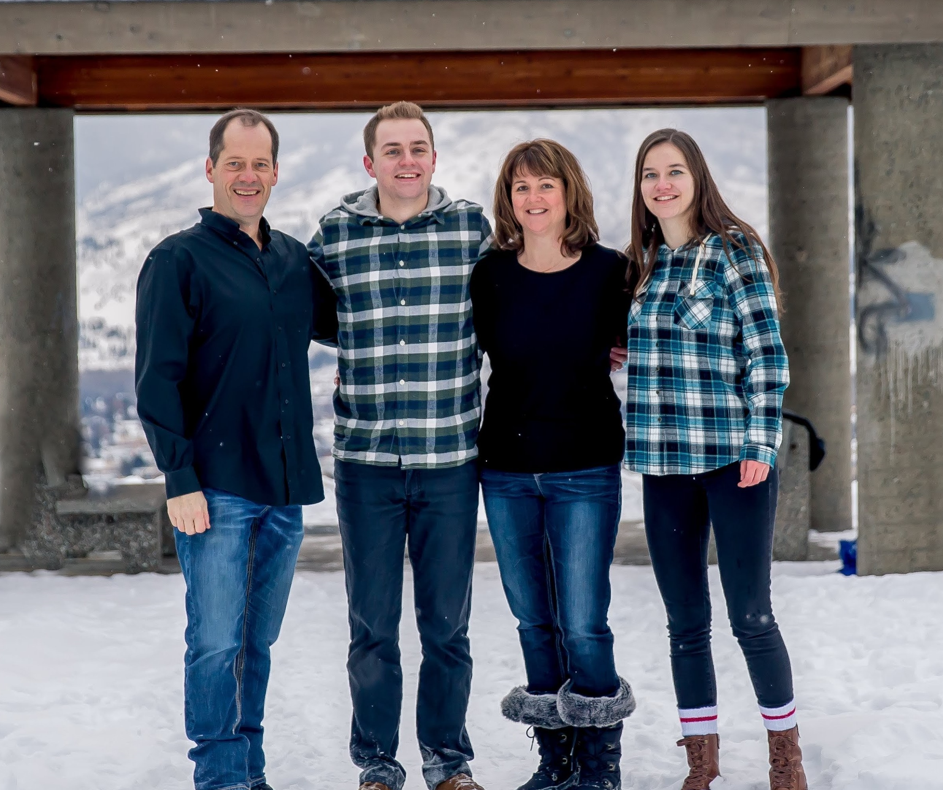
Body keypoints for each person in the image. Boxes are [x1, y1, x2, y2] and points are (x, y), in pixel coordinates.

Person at [135, 109, 337, 790]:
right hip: (215, 487)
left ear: (276, 172)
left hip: (284, 488)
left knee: (257, 642)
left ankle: (248, 768)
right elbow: (157, 377)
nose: (247, 176)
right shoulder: (178, 261)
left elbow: (354, 321)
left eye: (260, 164)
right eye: (234, 163)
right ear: (211, 169)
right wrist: (179, 476)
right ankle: (220, 777)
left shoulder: (291, 261)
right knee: (216, 641)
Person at [308, 101, 491, 790]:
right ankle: (378, 766)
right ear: (370, 162)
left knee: (447, 629)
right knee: (372, 630)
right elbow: (306, 315)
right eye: (392, 150)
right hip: (367, 468)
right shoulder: (335, 234)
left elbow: (519, 298)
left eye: (418, 148)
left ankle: (448, 762)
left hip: (450, 460)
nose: (406, 160)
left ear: (434, 158)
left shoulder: (473, 228)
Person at [624, 129, 806, 790]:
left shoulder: (734, 251)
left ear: (697, 179)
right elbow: (641, 352)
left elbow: (767, 353)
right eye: (650, 174)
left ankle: (785, 757)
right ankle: (702, 762)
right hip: (663, 464)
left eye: (675, 171)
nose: (662, 184)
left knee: (750, 616)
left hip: (735, 462)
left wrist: (762, 442)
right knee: (684, 624)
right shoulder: (642, 266)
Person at [469, 139, 637, 790]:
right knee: (534, 620)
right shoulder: (490, 276)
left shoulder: (608, 272)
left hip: (584, 468)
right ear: (507, 199)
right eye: (521, 187)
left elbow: (637, 345)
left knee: (583, 621)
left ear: (569, 193)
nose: (533, 199)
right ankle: (555, 759)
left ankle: (599, 764)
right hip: (506, 469)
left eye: (545, 186)